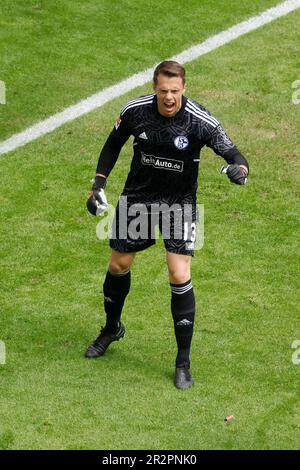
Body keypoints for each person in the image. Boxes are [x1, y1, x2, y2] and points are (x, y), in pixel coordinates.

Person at [85, 60, 249, 389]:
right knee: (118, 264)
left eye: (175, 91)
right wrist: (98, 185)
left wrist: (239, 172)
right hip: (139, 198)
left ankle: (183, 360)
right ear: (154, 88)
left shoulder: (201, 121)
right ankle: (112, 328)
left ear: (184, 88)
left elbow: (237, 157)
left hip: (179, 205)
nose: (169, 97)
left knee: (179, 273)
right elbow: (112, 145)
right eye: (163, 91)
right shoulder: (135, 111)